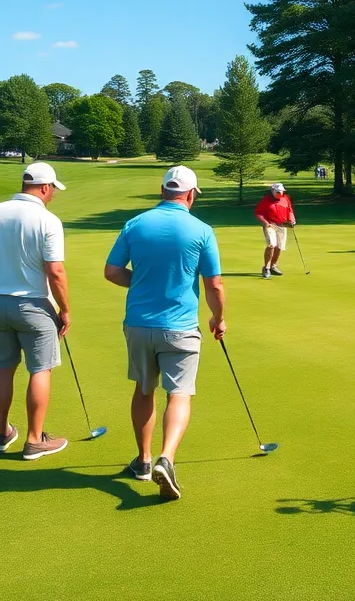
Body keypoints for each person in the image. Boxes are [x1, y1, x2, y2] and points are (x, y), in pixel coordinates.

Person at [104, 165, 225, 500]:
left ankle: (143, 461)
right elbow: (213, 283)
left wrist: (141, 282)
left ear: (162, 191)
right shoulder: (201, 229)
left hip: (139, 323)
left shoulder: (136, 223)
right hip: (181, 326)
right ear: (190, 195)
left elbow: (112, 271)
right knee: (179, 393)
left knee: (144, 390)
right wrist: (218, 317)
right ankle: (166, 458)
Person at [0, 162, 70, 461]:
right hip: (33, 306)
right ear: (45, 188)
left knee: (4, 366)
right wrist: (66, 310)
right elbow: (55, 271)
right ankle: (34, 440)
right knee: (40, 369)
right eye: (52, 191)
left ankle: (1, 433)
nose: (53, 196)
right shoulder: (48, 220)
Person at [255, 182, 296, 278]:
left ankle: (274, 266)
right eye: (278, 192)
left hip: (282, 225)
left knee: (279, 246)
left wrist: (292, 221)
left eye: (281, 191)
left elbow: (290, 211)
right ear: (272, 191)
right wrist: (265, 222)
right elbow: (258, 213)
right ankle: (266, 268)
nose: (280, 193)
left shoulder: (285, 199)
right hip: (270, 224)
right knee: (271, 244)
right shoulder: (266, 200)